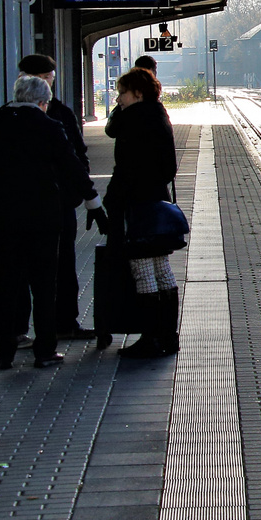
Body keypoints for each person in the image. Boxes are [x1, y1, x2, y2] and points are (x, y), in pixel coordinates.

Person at [0, 75, 101, 370]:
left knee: (6, 285)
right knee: (44, 285)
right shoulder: (49, 127)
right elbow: (72, 166)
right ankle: (45, 351)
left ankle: (4, 353)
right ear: (42, 102)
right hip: (43, 219)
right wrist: (93, 203)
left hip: (3, 218)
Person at [19, 53, 104, 338]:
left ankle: (65, 322)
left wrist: (82, 195)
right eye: (43, 80)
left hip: (59, 204)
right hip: (35, 206)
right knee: (30, 271)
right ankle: (27, 330)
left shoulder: (60, 112)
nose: (47, 86)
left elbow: (78, 156)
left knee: (64, 266)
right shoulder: (16, 117)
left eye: (49, 80)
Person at [105, 67, 181, 358]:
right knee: (161, 269)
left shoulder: (133, 120)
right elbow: (167, 167)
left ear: (137, 92)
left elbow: (123, 165)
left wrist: (117, 199)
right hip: (156, 203)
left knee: (143, 271)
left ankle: (150, 337)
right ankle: (167, 336)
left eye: (121, 93)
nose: (118, 99)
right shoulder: (159, 115)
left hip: (137, 205)